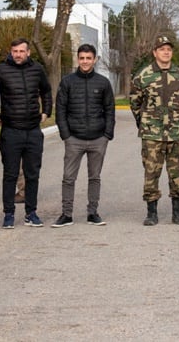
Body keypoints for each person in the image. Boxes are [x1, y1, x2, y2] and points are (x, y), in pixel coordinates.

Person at [130, 35, 179, 226]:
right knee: (151, 173)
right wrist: (146, 123)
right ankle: (151, 213)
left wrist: (178, 121)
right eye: (162, 49)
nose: (166, 52)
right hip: (152, 134)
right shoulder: (143, 75)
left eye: (169, 49)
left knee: (178, 173)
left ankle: (178, 212)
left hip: (177, 133)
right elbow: (135, 103)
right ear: (154, 52)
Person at [52, 44, 115, 228]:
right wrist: (66, 134)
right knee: (68, 178)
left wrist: (107, 134)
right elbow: (61, 109)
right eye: (82, 58)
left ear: (94, 59)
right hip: (74, 139)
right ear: (77, 59)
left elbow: (109, 109)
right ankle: (66, 214)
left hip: (98, 138)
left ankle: (92, 212)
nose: (85, 61)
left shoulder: (103, 83)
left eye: (89, 58)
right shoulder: (67, 82)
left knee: (94, 177)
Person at [0, 38, 52, 229]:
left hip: (33, 130)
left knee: (32, 174)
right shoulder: (1, 71)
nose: (18, 54)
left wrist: (46, 112)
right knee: (10, 174)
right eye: (14, 51)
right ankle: (8, 214)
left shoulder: (37, 70)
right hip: (11, 130)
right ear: (10, 52)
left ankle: (31, 213)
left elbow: (46, 91)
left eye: (21, 51)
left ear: (28, 53)